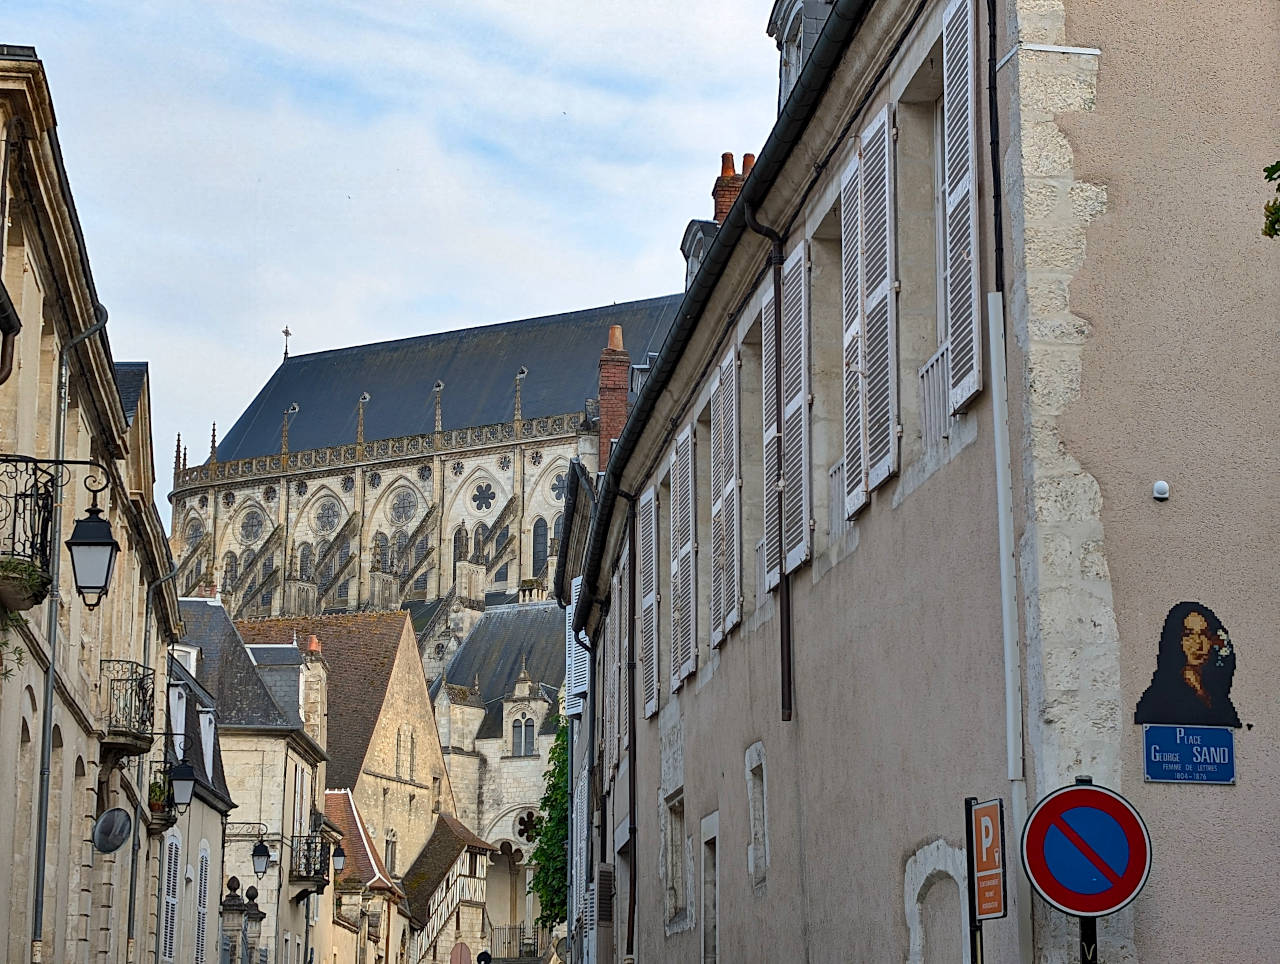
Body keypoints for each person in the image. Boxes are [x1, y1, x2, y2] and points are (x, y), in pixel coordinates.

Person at [1134, 601, 1241, 727]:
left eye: (1204, 634)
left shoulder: (1217, 695)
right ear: (1176, 640)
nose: (1198, 643)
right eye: (1188, 634)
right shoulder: (1157, 698)